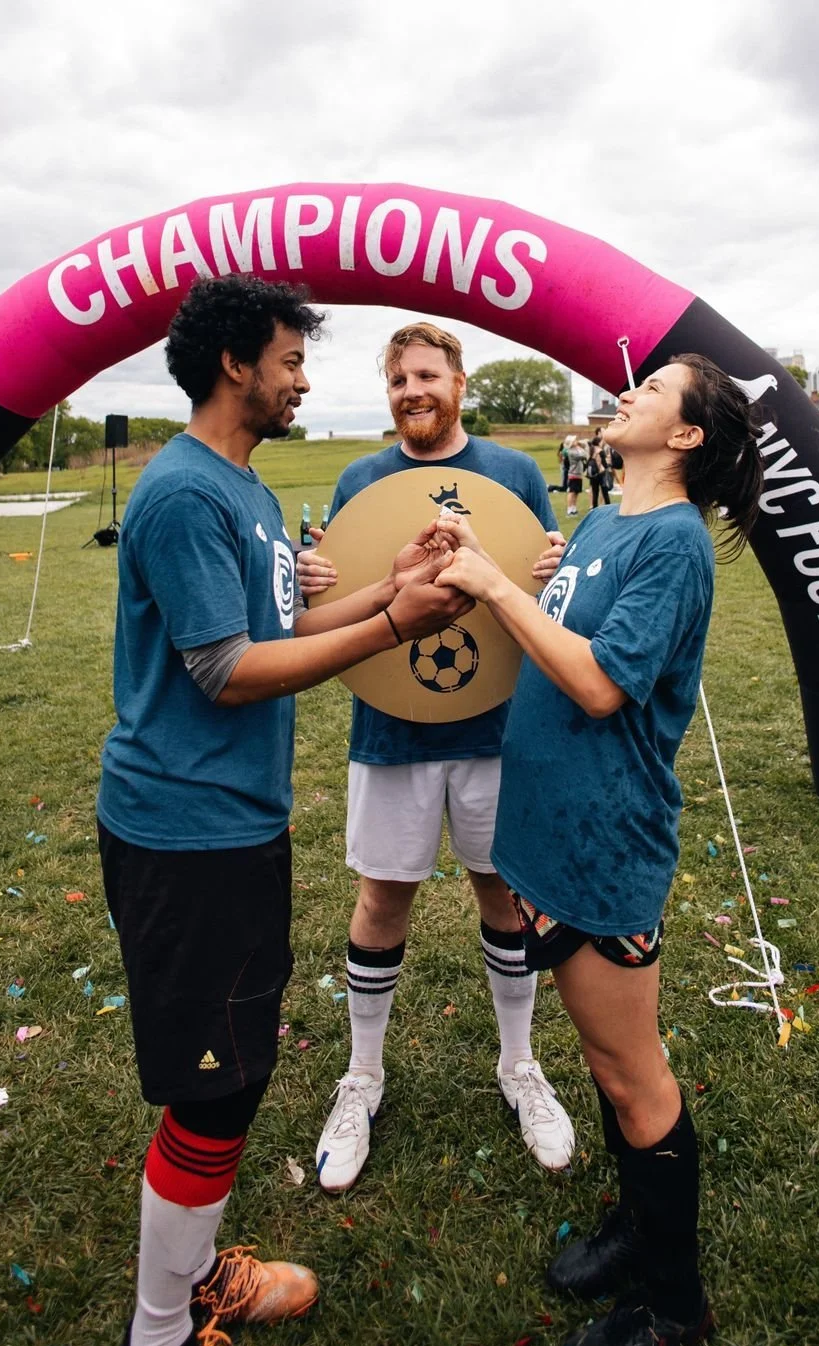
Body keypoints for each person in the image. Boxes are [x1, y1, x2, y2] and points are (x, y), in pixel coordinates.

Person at [97, 278, 472, 1346]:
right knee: (216, 1093)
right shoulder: (181, 495)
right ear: (236, 366)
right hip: (185, 834)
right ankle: (163, 1326)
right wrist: (397, 621)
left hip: (235, 825)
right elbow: (226, 668)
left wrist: (382, 588)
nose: (304, 379)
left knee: (233, 1075)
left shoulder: (244, 487)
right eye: (291, 360)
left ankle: (196, 1273)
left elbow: (285, 617)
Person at [432, 354, 765, 1346]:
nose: (631, 394)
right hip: (551, 831)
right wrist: (521, 578)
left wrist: (495, 586)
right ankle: (636, 1225)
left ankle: (672, 1312)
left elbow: (599, 685)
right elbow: (567, 628)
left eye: (655, 391)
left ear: (687, 437)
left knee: (632, 1075)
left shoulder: (674, 543)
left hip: (603, 841)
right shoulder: (606, 520)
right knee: (605, 1061)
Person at [297, 321, 575, 1194]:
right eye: (398, 379)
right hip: (392, 728)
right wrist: (309, 581)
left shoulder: (515, 474)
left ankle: (520, 1064)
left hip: (498, 727)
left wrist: (558, 565)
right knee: (382, 897)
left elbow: (548, 596)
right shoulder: (359, 480)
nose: (412, 390)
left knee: (502, 889)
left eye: (427, 374)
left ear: (459, 382)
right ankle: (363, 1077)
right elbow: (332, 605)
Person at [566, 438, 589, 515]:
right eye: (574, 440)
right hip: (573, 474)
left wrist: (580, 444)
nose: (576, 441)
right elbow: (583, 455)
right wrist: (579, 447)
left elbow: (585, 445)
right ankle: (569, 509)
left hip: (578, 474)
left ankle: (574, 508)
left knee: (576, 492)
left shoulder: (576, 449)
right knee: (572, 492)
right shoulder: (571, 451)